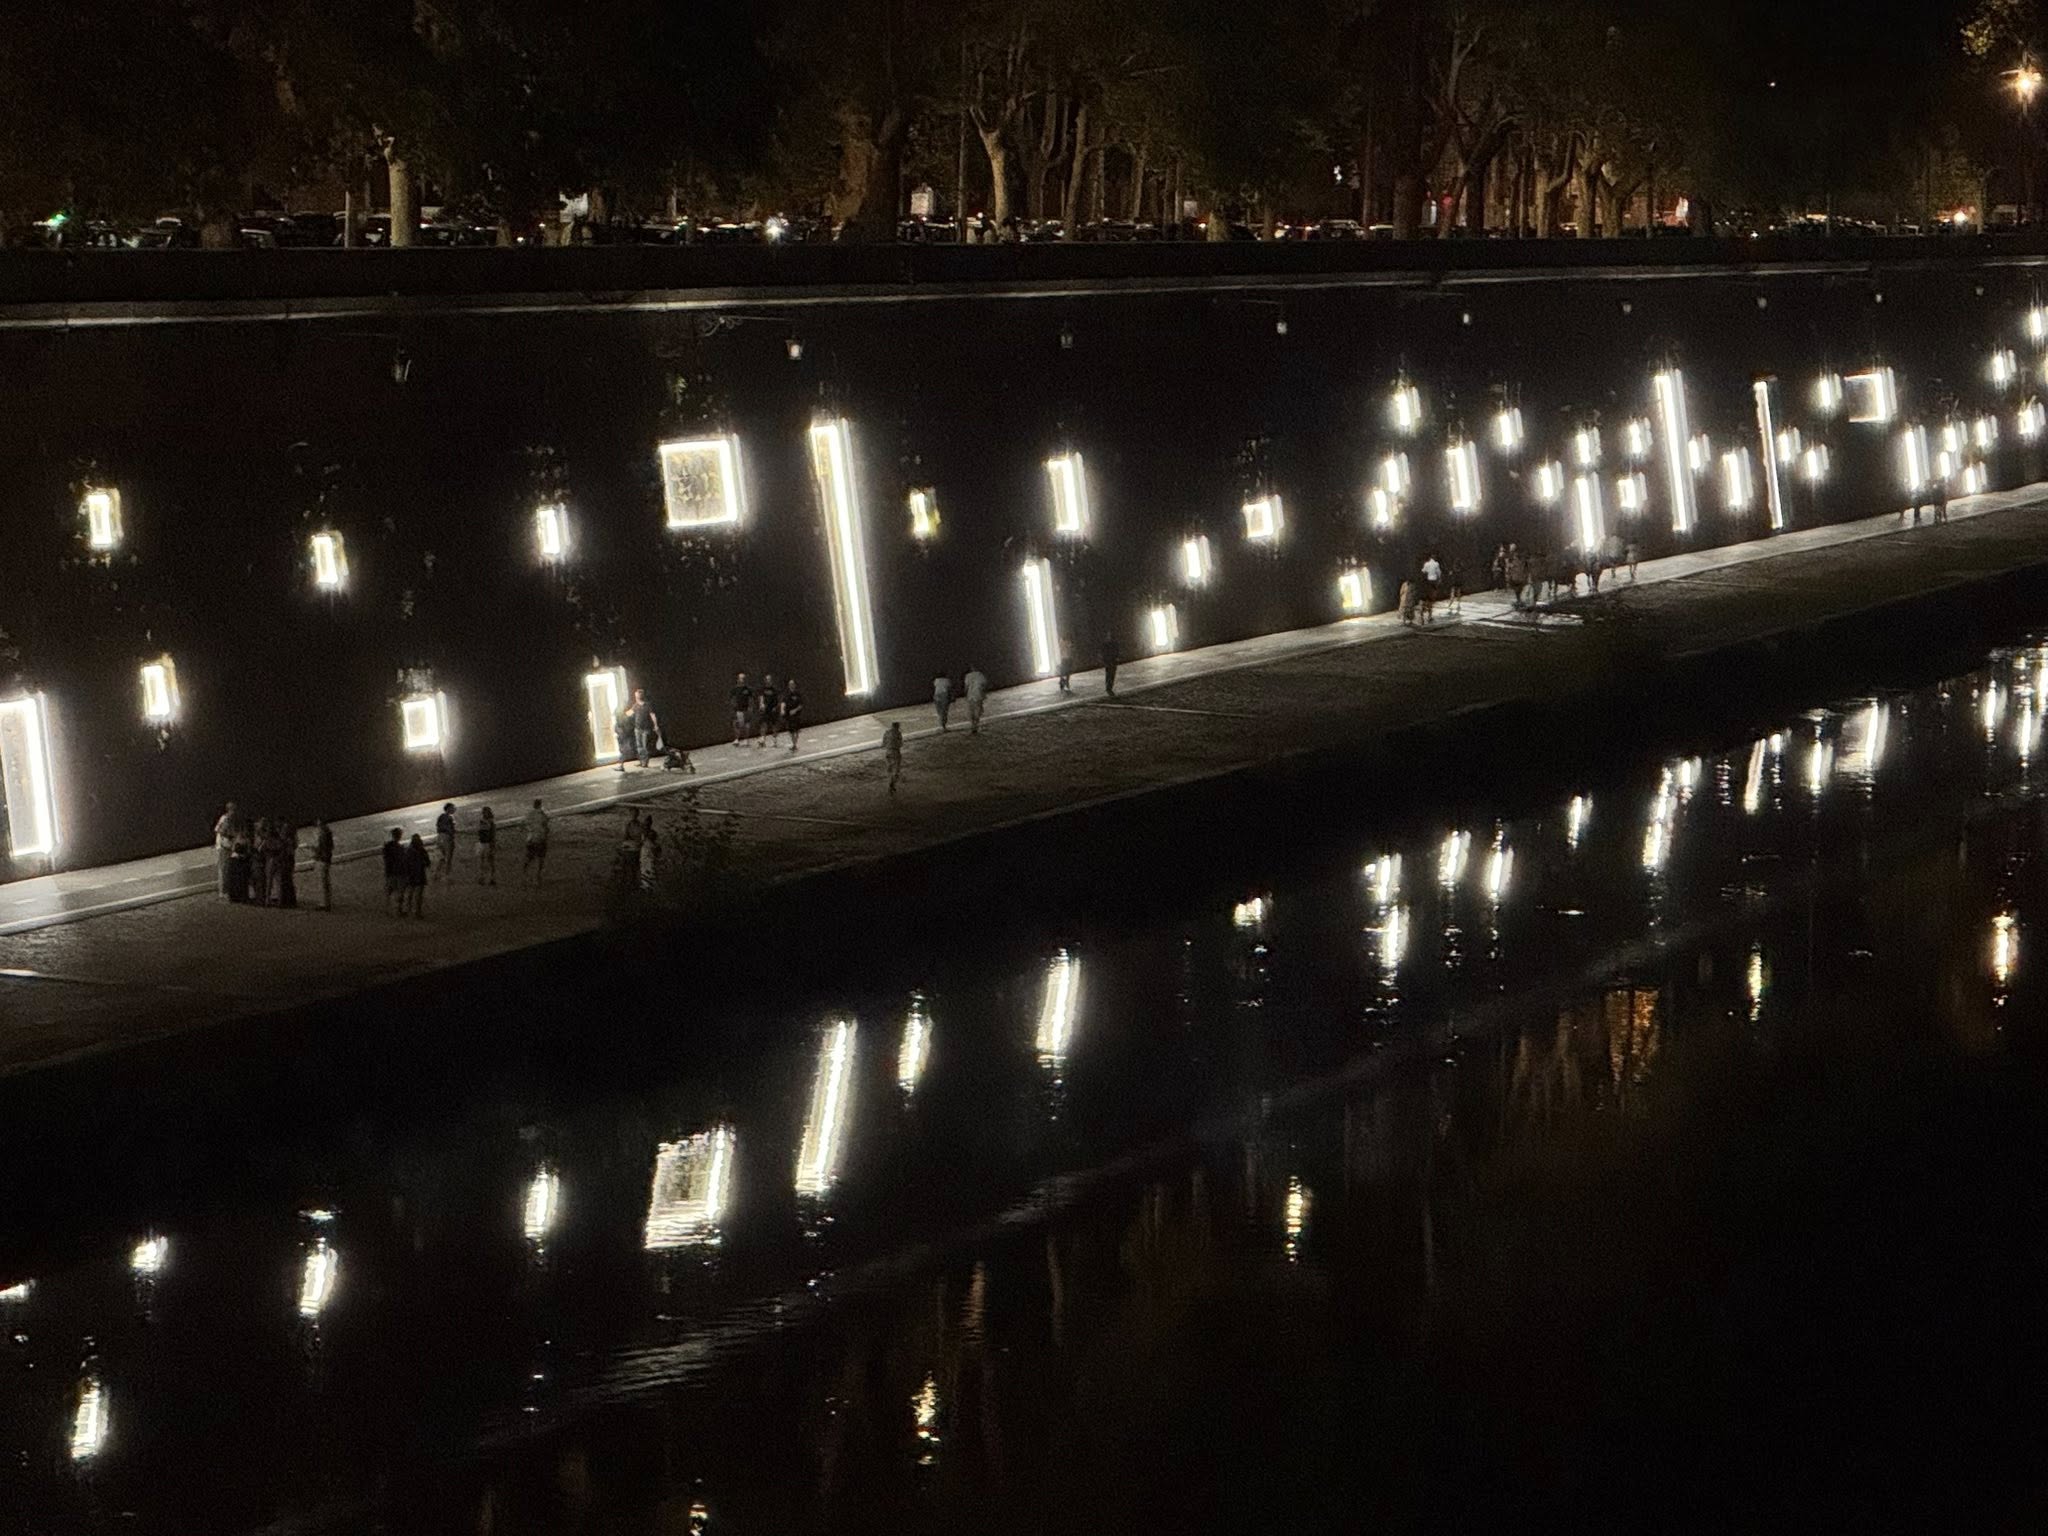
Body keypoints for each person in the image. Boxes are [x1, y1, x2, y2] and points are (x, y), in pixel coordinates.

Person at [626, 688, 661, 770]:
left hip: (646, 729)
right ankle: (642, 761)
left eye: (637, 695)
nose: (636, 697)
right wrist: (622, 714)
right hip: (637, 729)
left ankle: (645, 761)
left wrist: (656, 725)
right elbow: (629, 713)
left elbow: (652, 715)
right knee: (639, 746)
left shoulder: (647, 705)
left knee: (645, 746)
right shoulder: (635, 705)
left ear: (640, 695)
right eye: (635, 695)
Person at [213, 802, 241, 901]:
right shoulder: (225, 819)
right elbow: (219, 830)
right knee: (224, 869)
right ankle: (223, 891)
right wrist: (229, 836)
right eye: (234, 809)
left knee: (227, 869)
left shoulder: (230, 819)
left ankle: (226, 890)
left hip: (227, 846)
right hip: (223, 847)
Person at [522, 798, 549, 884]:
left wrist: (530, 830)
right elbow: (546, 826)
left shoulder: (529, 814)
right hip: (540, 838)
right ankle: (537, 877)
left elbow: (525, 824)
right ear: (540, 805)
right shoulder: (542, 815)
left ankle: (525, 873)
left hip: (531, 838)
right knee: (540, 858)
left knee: (530, 857)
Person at [405, 832, 430, 916]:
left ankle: (408, 909)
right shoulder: (422, 850)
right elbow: (427, 863)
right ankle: (417, 911)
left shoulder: (408, 851)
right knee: (418, 895)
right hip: (419, 874)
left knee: (410, 892)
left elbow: (405, 863)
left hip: (410, 874)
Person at [382, 827, 406, 914]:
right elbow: (402, 860)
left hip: (389, 871)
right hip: (399, 872)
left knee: (389, 891)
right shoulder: (400, 848)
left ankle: (387, 909)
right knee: (400, 892)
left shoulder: (387, 847)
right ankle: (398, 909)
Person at [313, 818, 334, 911]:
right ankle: (327, 902)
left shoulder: (322, 835)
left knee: (322, 882)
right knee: (325, 882)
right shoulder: (328, 833)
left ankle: (323, 904)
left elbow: (320, 848)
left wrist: (313, 850)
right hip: (327, 858)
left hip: (322, 859)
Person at [729, 672, 753, 746]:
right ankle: (736, 739)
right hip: (737, 710)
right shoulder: (734, 689)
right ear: (738, 679)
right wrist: (734, 707)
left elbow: (750, 699)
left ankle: (746, 740)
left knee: (747, 724)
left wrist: (750, 707)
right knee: (736, 724)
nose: (743, 679)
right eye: (741, 678)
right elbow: (732, 699)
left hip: (746, 709)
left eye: (744, 678)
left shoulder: (748, 689)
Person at [435, 803, 458, 879]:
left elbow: (438, 827)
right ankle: (447, 874)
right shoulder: (450, 818)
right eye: (452, 808)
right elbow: (451, 830)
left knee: (443, 856)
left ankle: (437, 872)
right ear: (448, 808)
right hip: (447, 838)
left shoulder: (441, 817)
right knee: (448, 857)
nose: (454, 809)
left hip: (440, 838)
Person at [475, 806, 497, 885]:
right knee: (487, 862)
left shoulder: (485, 822)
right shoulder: (489, 822)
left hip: (484, 843)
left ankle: (486, 878)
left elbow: (491, 834)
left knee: (486, 862)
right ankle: (489, 878)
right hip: (484, 843)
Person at [758, 676, 781, 748]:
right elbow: (761, 697)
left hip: (773, 710)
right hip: (765, 710)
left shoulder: (775, 690)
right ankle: (763, 740)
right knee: (763, 724)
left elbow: (778, 700)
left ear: (771, 681)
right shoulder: (763, 689)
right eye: (767, 680)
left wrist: (776, 707)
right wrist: (761, 704)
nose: (768, 681)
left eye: (769, 680)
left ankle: (775, 741)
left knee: (774, 725)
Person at [964, 668, 989, 734]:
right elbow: (984, 684)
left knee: (971, 710)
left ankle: (973, 725)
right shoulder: (980, 674)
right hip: (978, 694)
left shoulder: (967, 676)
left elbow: (966, 687)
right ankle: (975, 725)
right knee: (978, 710)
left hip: (970, 695)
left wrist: (966, 695)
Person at [639, 823, 661, 892]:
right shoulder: (646, 842)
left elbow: (657, 852)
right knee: (646, 872)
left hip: (649, 860)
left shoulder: (649, 843)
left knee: (649, 872)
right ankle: (647, 887)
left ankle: (649, 887)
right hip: (646, 859)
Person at [783, 680, 804, 752]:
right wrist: (782, 710)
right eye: (790, 684)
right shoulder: (786, 694)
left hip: (796, 715)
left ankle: (795, 744)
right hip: (789, 715)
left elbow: (801, 705)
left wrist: (795, 710)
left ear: (795, 685)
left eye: (792, 684)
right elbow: (784, 702)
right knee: (791, 731)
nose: (791, 685)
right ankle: (794, 744)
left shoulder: (798, 694)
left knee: (797, 730)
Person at [884, 720, 904, 791]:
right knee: (896, 769)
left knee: (889, 768)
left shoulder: (887, 733)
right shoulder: (898, 733)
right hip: (895, 752)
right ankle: (892, 783)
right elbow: (901, 744)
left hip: (888, 752)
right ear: (898, 726)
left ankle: (890, 781)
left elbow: (883, 743)